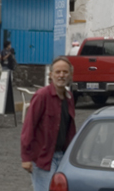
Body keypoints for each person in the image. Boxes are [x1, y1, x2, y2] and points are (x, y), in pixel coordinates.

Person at [19, 59, 78, 191]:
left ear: (70, 75)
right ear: (51, 75)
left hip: (63, 158)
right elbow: (29, 127)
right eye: (58, 72)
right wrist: (26, 157)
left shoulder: (69, 97)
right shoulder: (41, 96)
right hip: (43, 158)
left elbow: (70, 129)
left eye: (65, 72)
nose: (61, 75)